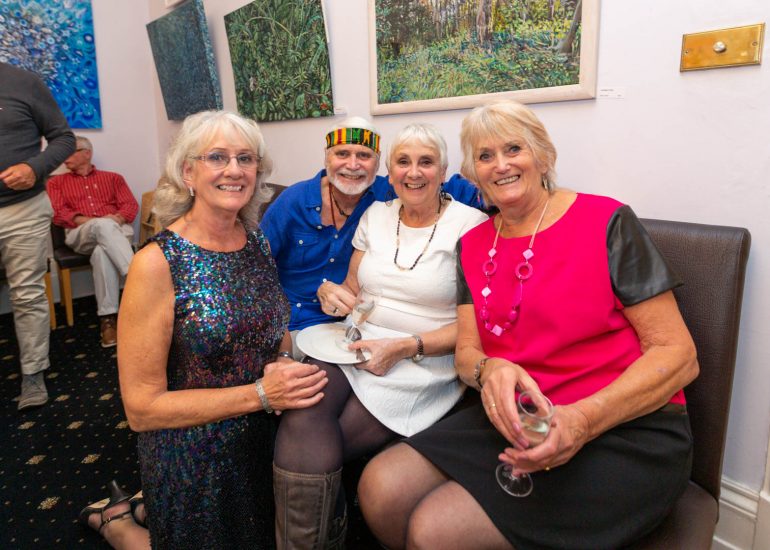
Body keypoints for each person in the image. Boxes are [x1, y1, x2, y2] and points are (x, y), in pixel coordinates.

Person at [358, 101, 699, 549]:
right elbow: (467, 354)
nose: (500, 165)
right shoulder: (473, 245)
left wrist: (583, 419)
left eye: (513, 149)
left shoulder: (607, 221)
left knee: (435, 529)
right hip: (516, 417)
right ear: (473, 174)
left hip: (624, 425)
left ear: (543, 155)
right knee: (380, 487)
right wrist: (489, 369)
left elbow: (679, 355)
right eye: (485, 156)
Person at [78, 110, 328, 549]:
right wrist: (261, 395)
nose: (234, 169)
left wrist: (284, 362)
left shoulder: (255, 241)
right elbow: (141, 409)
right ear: (187, 172)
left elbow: (275, 331)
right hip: (194, 455)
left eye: (245, 158)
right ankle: (115, 523)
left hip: (263, 438)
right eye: (217, 157)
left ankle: (138, 509)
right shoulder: (157, 263)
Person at [272, 123, 488, 548]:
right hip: (354, 341)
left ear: (444, 172)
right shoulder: (376, 214)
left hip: (422, 358)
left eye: (426, 162)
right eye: (403, 162)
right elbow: (353, 288)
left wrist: (407, 346)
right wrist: (331, 294)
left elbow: (479, 323)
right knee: (303, 409)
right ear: (390, 171)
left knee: (319, 441)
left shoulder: (471, 226)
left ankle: (322, 535)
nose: (414, 172)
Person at [260, 116, 483, 352]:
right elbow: (255, 269)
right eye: (342, 154)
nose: (353, 165)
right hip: (290, 323)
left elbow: (438, 187)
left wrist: (493, 191)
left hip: (344, 328)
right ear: (327, 157)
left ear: (378, 166)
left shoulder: (388, 192)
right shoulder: (293, 201)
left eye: (364, 156)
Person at [0, 62, 76, 411]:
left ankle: (32, 373)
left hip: (22, 209)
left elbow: (64, 138)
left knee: (27, 293)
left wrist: (35, 167)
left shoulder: (23, 82)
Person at [48, 135, 139, 347]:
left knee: (101, 252)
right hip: (80, 233)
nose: (64, 158)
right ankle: (137, 278)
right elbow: (59, 214)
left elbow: (130, 206)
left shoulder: (114, 178)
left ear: (86, 153)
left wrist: (115, 219)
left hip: (116, 229)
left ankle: (107, 320)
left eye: (69, 152)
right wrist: (97, 222)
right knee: (101, 226)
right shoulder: (56, 183)